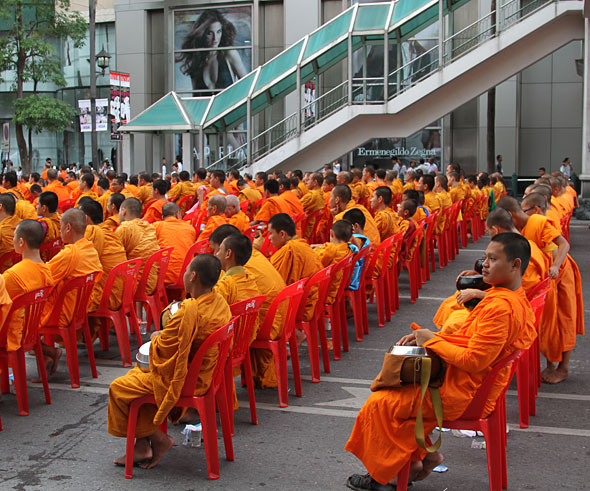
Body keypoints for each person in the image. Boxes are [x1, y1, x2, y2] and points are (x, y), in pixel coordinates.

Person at [345, 232, 536, 489]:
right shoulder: (513, 298)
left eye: (493, 258)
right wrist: (429, 336)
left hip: (465, 393)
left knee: (382, 402)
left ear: (516, 265)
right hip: (471, 384)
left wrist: (430, 340)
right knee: (392, 393)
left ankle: (390, 475)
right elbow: (470, 343)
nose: (485, 264)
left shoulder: (500, 307)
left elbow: (474, 360)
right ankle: (419, 458)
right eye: (485, 257)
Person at [107, 254, 232, 469]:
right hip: (206, 374)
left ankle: (158, 439)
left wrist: (157, 337)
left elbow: (164, 350)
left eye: (186, 271)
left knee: (118, 388)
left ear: (193, 276)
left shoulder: (189, 312)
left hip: (187, 381)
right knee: (135, 377)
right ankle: (142, 446)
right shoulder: (218, 301)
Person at [496, 196, 581, 384]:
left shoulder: (537, 221)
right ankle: (551, 365)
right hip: (548, 275)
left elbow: (564, 245)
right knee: (547, 323)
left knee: (564, 319)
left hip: (562, 272)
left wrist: (556, 266)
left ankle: (564, 368)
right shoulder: (524, 230)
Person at [208, 224, 286, 389]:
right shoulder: (253, 257)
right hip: (281, 314)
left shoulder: (235, 274)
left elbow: (215, 302)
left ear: (228, 250)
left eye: (216, 250)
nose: (215, 255)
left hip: (261, 324)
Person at [40, 209, 103, 369]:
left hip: (62, 314)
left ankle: (49, 353)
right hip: (80, 311)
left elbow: (43, 276)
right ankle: (47, 353)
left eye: (60, 227)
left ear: (68, 228)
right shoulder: (91, 250)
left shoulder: (69, 254)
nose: (59, 231)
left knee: (18, 321)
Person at [2, 220, 54, 352]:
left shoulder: (13, 275)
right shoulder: (46, 270)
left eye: (14, 236)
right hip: (31, 328)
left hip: (13, 333)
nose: (12, 240)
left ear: (21, 242)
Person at [176, 9, 248, 92]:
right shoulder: (197, 60)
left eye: (218, 32)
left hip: (229, 105)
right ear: (202, 34)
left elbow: (246, 86)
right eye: (210, 33)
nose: (215, 38)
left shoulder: (229, 54)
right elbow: (195, 95)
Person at [116, 198, 160, 295]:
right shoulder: (149, 227)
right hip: (152, 281)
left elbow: (113, 256)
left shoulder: (124, 228)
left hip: (137, 284)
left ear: (124, 211)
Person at [313, 220, 357, 304]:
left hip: (324, 293)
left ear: (331, 233)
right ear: (350, 238)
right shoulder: (348, 249)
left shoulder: (331, 252)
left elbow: (315, 265)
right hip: (336, 289)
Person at [154, 202, 196, 284]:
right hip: (188, 277)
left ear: (163, 217)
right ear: (177, 214)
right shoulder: (190, 228)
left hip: (164, 278)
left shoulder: (157, 226)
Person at [0, 194, 21, 264]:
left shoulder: (2, 231)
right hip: (21, 268)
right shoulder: (23, 225)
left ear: (0, 206)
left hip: (4, 272)